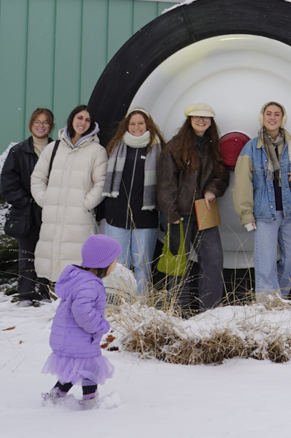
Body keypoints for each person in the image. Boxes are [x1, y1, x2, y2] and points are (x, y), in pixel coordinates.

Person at [157, 103, 229, 311]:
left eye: (205, 117)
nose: (201, 120)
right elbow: (165, 182)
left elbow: (222, 175)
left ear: (211, 122)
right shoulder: (175, 146)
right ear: (189, 120)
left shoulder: (213, 146)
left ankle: (211, 311)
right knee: (178, 267)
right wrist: (171, 213)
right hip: (179, 216)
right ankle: (178, 310)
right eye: (196, 117)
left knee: (214, 261)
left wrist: (212, 191)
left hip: (204, 213)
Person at [233, 102, 291, 303]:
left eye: (277, 114)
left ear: (283, 118)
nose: (272, 118)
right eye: (269, 114)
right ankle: (267, 305)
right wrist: (246, 214)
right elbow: (242, 183)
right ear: (262, 117)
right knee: (266, 264)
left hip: (290, 213)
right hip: (265, 213)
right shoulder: (251, 147)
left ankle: (280, 299)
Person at [30, 104, 108, 294]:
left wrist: (85, 204)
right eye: (79, 118)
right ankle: (58, 305)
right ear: (72, 119)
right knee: (53, 262)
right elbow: (38, 177)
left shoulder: (97, 151)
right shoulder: (53, 148)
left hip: (79, 218)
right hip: (52, 216)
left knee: (79, 265)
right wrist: (44, 199)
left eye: (87, 120)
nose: (82, 122)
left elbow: (101, 183)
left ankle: (77, 303)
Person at [41, 233, 120, 410]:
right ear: (103, 263)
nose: (116, 265)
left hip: (71, 337)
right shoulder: (90, 284)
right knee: (91, 369)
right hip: (80, 338)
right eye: (114, 261)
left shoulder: (80, 278)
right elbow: (83, 312)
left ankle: (55, 396)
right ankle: (90, 403)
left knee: (75, 368)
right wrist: (100, 326)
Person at [97, 108, 165, 296]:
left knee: (142, 265)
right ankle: (120, 302)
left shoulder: (157, 149)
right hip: (117, 216)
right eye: (133, 123)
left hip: (145, 217)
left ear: (147, 125)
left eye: (140, 123)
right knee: (118, 264)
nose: (137, 127)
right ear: (127, 125)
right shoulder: (116, 147)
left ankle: (140, 305)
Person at [0, 107, 53, 305]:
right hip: (26, 213)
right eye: (37, 122)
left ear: (51, 126)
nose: (41, 126)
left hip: (50, 211)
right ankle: (26, 294)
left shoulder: (57, 150)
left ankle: (45, 292)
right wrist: (27, 201)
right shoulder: (18, 151)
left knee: (47, 254)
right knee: (27, 254)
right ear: (31, 124)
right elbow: (7, 185)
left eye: (45, 122)